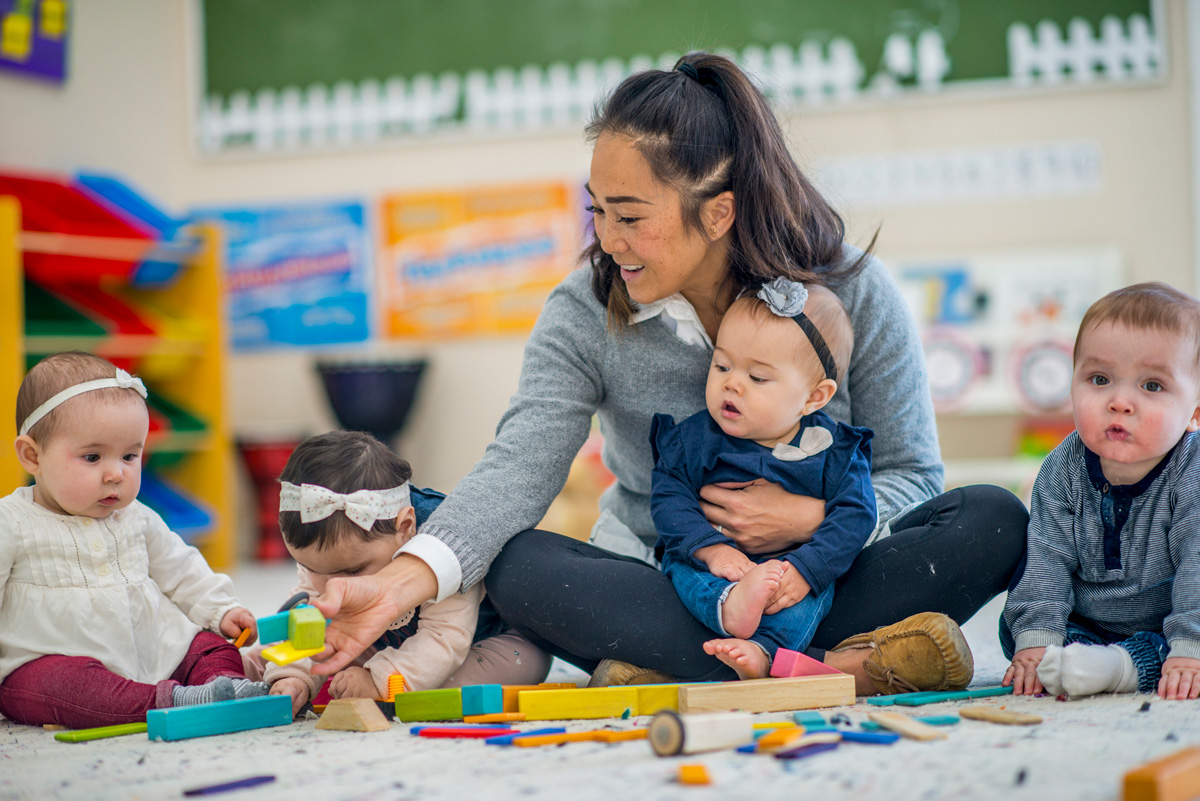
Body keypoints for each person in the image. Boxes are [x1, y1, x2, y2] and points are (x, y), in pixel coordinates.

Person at [306, 52, 1029, 697]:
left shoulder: (852, 291)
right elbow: (518, 465)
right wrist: (404, 580)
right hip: (672, 580)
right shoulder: (585, 308)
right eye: (598, 214)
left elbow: (914, 473)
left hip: (825, 572)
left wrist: (811, 527)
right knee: (519, 564)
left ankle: (692, 664)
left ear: (718, 213)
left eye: (629, 217)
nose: (607, 240)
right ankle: (839, 666)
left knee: (993, 519)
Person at [0, 352, 266, 729]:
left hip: (153, 649)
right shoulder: (11, 522)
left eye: (130, 455)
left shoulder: (136, 516)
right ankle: (173, 699)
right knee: (54, 686)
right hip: (53, 659)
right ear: (32, 456)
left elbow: (181, 568)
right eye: (92, 457)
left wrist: (221, 610)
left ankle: (222, 686)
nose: (116, 474)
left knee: (207, 644)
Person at [651, 280, 874, 679]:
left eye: (757, 378)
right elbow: (669, 500)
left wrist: (808, 569)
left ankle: (763, 654)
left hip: (791, 567)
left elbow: (856, 515)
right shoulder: (693, 440)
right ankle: (729, 607)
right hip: (711, 563)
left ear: (814, 398)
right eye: (721, 366)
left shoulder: (835, 450)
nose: (731, 383)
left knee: (808, 600)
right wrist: (712, 551)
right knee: (681, 572)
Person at [260, 431, 551, 716]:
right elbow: (308, 621)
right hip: (388, 642)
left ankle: (387, 686)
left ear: (405, 528)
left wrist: (378, 679)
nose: (332, 585)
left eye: (353, 571)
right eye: (310, 568)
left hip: (485, 640)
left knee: (479, 678)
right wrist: (292, 674)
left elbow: (444, 638)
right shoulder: (331, 562)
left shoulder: (444, 544)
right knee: (319, 651)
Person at [1002, 283, 1200, 700]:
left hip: (1174, 618)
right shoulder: (1063, 467)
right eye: (1099, 379)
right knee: (1020, 632)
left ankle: (1125, 666)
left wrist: (1189, 647)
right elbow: (1046, 557)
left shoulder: (1191, 471)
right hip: (1088, 620)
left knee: (1188, 655)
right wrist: (1038, 638)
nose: (1120, 402)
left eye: (1152, 386)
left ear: (1195, 412)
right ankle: (1085, 660)